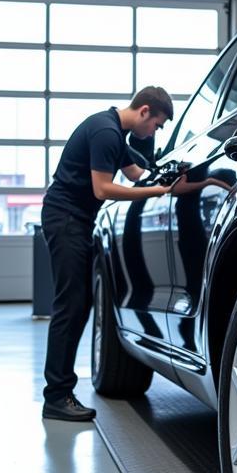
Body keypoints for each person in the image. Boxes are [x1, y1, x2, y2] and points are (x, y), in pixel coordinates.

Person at [40, 87, 179, 422]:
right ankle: (56, 396)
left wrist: (175, 179)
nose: (154, 132)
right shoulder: (105, 132)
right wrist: (157, 191)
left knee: (80, 303)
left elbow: (136, 173)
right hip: (66, 219)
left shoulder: (115, 134)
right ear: (145, 111)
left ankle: (59, 391)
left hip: (75, 220)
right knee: (70, 305)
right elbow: (102, 189)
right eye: (157, 125)